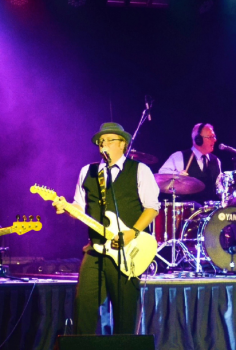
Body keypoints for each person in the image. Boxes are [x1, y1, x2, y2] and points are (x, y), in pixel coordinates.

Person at [54, 122, 160, 335]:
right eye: (100, 142)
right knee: (83, 304)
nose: (103, 145)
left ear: (123, 144)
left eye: (109, 141)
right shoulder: (88, 171)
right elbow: (79, 206)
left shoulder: (139, 170)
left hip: (126, 250)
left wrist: (133, 232)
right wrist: (65, 208)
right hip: (95, 249)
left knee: (125, 310)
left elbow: (152, 208)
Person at [158, 123, 222, 203]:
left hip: (211, 211)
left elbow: (219, 187)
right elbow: (162, 175)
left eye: (214, 136)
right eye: (210, 137)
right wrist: (178, 175)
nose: (215, 140)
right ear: (198, 140)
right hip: (188, 210)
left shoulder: (216, 161)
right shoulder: (179, 156)